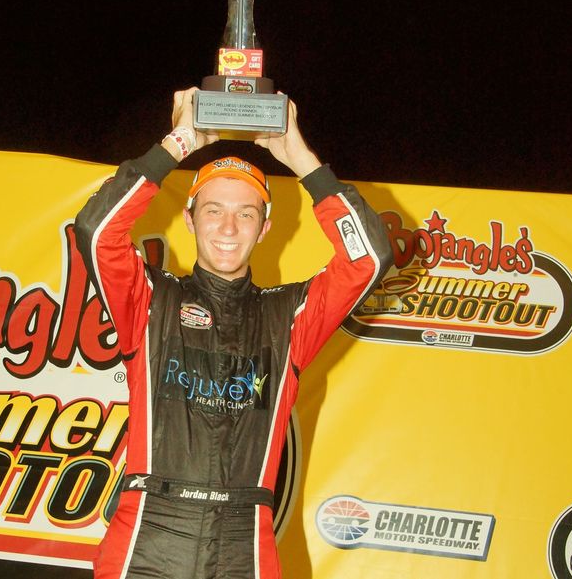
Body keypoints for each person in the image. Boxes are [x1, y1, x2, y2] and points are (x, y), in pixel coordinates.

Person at [74, 87, 393, 579]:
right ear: (189, 218)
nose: (228, 226)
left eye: (246, 213)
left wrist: (300, 157)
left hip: (245, 541)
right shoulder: (151, 299)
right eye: (213, 209)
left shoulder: (290, 316)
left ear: (265, 228)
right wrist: (179, 142)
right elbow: (96, 231)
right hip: (148, 536)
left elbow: (369, 257)